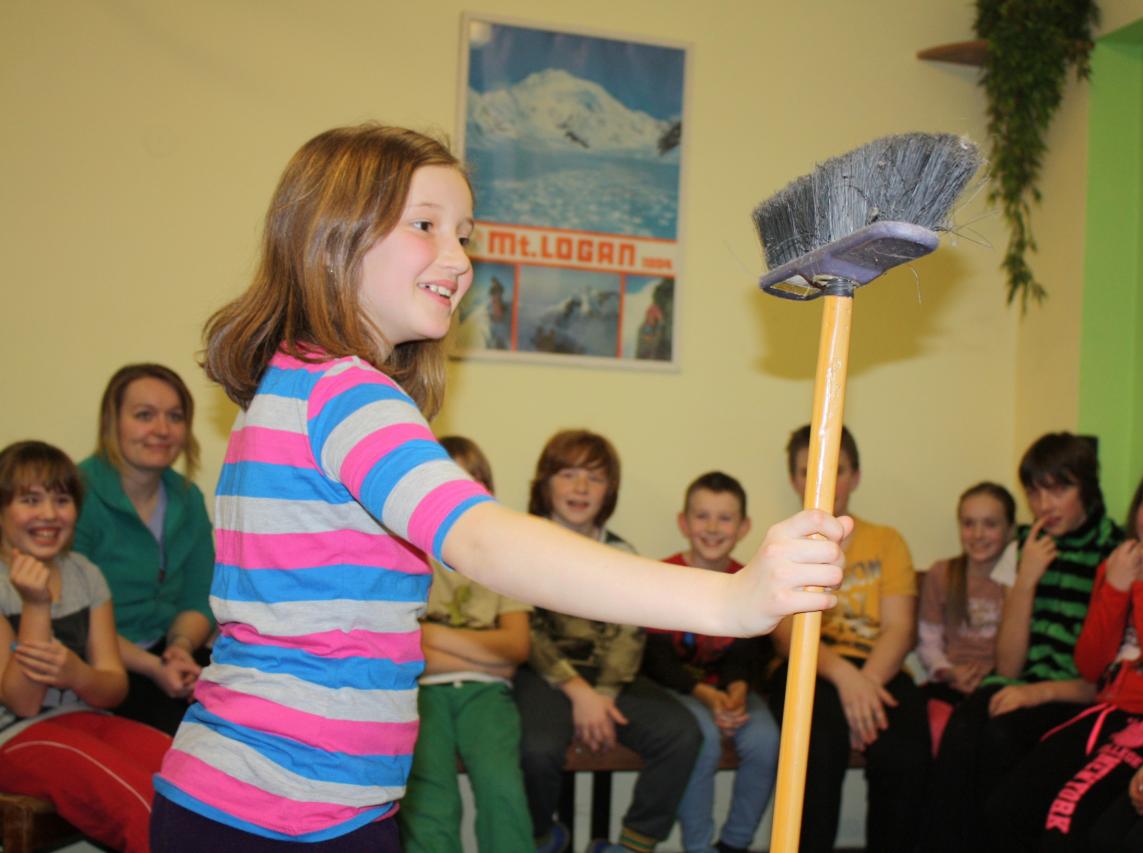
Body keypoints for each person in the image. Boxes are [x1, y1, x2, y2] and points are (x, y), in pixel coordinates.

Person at [148, 124, 849, 852]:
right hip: (279, 812)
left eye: (465, 235)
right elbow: (484, 542)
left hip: (266, 800)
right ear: (333, 237)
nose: (458, 260)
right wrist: (730, 600)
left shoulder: (290, 384)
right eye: (425, 225)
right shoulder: (346, 393)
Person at [985, 461, 1143, 851]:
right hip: (1104, 711)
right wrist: (1115, 589)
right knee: (1008, 806)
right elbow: (1090, 666)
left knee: (1065, 816)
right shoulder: (1117, 564)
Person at [922, 432, 1125, 853]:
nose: (1044, 505)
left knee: (1001, 739)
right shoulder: (1028, 545)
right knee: (962, 731)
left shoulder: (1114, 550)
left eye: (1058, 490)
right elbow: (1009, 666)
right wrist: (1026, 580)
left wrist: (1036, 693)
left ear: (1086, 487)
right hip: (1020, 681)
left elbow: (1105, 677)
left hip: (1076, 694)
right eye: (1034, 492)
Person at [516, 429, 700, 853]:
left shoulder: (622, 554)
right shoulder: (523, 544)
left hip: (611, 680)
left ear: (609, 490)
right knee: (537, 750)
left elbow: (630, 634)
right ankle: (542, 837)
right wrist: (578, 691)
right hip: (545, 676)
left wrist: (602, 694)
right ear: (545, 484)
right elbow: (529, 631)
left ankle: (632, 844)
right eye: (568, 474)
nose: (581, 487)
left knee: (681, 734)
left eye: (595, 478)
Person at [0, 441, 172, 853]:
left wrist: (77, 674)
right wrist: (36, 605)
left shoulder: (84, 574)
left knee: (190, 772)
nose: (48, 514)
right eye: (30, 500)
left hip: (85, 718)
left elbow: (114, 687)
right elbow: (24, 703)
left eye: (62, 500)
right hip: (13, 736)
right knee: (139, 804)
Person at [768, 424, 930, 853]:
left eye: (835, 470)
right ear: (794, 480)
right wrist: (846, 680)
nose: (822, 483)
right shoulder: (784, 544)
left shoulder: (888, 542)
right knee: (817, 749)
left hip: (879, 670)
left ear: (855, 476)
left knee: (905, 754)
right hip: (811, 669)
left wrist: (866, 687)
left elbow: (900, 628)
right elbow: (785, 636)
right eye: (808, 471)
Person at [398, 436, 535, 853]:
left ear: (487, 492)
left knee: (502, 788)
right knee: (430, 797)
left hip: (487, 693)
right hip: (422, 693)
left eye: (470, 482)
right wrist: (488, 656)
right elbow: (404, 650)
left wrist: (431, 635)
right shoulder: (407, 554)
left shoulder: (507, 560)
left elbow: (515, 648)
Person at [75, 363, 215, 734]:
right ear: (112, 422)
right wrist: (154, 668)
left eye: (175, 416)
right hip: (100, 662)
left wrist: (180, 647)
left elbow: (199, 595)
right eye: (144, 415)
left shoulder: (188, 497)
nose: (162, 430)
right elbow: (74, 615)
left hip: (170, 652)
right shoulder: (76, 494)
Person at [643, 471, 778, 853]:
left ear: (744, 527)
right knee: (701, 741)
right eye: (702, 516)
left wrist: (736, 692)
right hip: (676, 691)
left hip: (732, 693)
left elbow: (748, 653)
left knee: (766, 741)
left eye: (725, 518)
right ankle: (698, 846)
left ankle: (735, 843)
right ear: (684, 523)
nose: (713, 528)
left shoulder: (750, 579)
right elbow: (657, 660)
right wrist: (705, 695)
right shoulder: (661, 575)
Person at [917, 482, 1016, 704]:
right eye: (968, 524)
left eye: (990, 524)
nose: (978, 535)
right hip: (950, 680)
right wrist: (948, 672)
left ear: (1010, 529)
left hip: (1001, 684)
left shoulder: (1019, 580)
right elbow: (928, 641)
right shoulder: (942, 573)